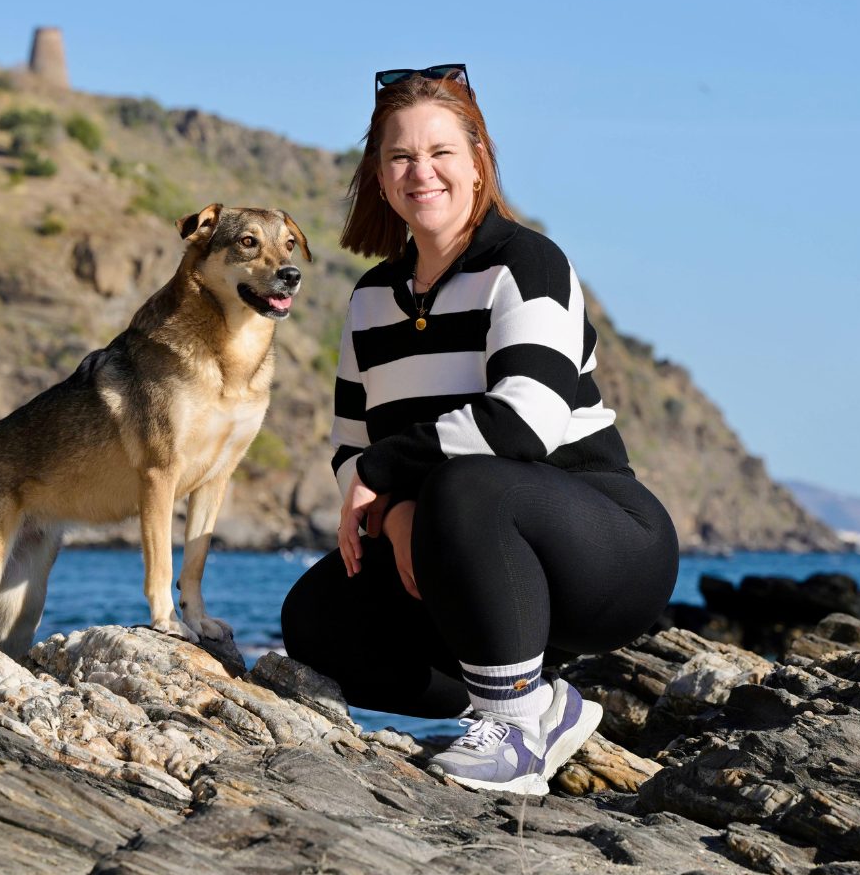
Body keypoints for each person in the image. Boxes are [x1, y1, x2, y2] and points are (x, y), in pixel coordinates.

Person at [281, 64, 679, 796]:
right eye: (400, 156)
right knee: (315, 619)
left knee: (467, 485)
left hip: (604, 549)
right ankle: (533, 700)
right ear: (378, 175)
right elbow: (351, 446)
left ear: (478, 162)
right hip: (459, 549)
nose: (421, 172)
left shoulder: (527, 264)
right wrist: (395, 514)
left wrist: (391, 480)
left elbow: (524, 421)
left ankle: (516, 736)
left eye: (441, 152)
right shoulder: (371, 301)